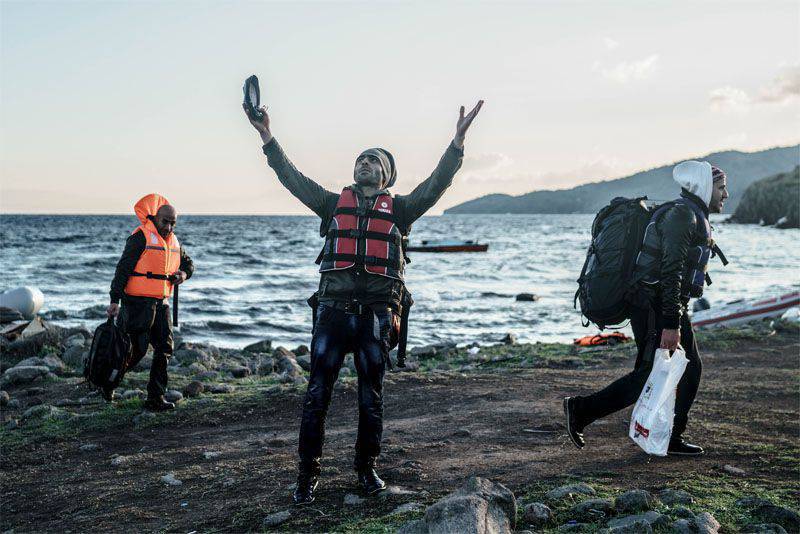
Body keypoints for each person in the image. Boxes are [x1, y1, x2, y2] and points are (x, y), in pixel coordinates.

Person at [244, 97, 483, 504]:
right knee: (317, 393)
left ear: (386, 176)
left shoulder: (402, 209)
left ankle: (366, 469)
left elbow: (436, 184)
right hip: (333, 315)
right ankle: (307, 474)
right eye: (359, 159)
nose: (364, 164)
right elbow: (290, 176)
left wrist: (456, 144)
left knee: (370, 396)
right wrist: (267, 135)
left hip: (376, 317)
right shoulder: (331, 204)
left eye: (372, 161)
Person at [564, 161, 729, 456]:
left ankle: (672, 437)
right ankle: (580, 409)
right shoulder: (682, 216)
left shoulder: (690, 213)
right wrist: (671, 323)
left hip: (665, 304)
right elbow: (671, 271)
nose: (725, 194)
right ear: (704, 187)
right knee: (647, 374)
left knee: (690, 368)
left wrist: (674, 315)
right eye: (721, 187)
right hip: (653, 304)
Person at [106, 193, 194, 411]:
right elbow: (123, 269)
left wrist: (182, 275)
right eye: (166, 222)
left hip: (161, 303)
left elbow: (189, 264)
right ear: (155, 218)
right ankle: (107, 383)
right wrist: (114, 299)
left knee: (164, 347)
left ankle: (155, 398)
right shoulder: (140, 238)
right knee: (135, 351)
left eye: (173, 223)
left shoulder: (173, 242)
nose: (170, 227)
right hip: (136, 304)